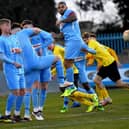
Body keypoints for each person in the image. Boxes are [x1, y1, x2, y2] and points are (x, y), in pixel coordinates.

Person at [10, 22, 64, 121]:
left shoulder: (35, 36)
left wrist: (42, 47)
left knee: (43, 87)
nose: (25, 29)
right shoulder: (23, 37)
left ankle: (37, 110)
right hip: (36, 63)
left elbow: (50, 39)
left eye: (27, 27)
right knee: (34, 87)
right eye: (24, 27)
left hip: (40, 64)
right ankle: (32, 112)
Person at [55, 1, 96, 100]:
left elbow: (74, 17)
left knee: (67, 63)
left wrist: (62, 21)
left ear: (66, 7)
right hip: (72, 42)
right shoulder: (62, 20)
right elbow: (64, 34)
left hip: (73, 41)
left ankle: (71, 85)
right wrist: (55, 36)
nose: (61, 8)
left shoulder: (69, 13)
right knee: (71, 64)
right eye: (59, 7)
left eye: (62, 6)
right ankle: (96, 99)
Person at [82, 32, 129, 102]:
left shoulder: (92, 42)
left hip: (108, 64)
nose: (85, 41)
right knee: (118, 83)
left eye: (85, 40)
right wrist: (89, 62)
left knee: (98, 80)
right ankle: (106, 98)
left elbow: (89, 55)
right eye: (84, 40)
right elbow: (91, 56)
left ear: (89, 38)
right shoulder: (94, 43)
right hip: (108, 64)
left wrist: (80, 58)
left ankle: (106, 98)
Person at [0, 19, 26, 122]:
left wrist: (20, 51)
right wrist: (13, 63)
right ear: (1, 27)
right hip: (11, 68)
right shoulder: (1, 39)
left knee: (22, 91)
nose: (8, 27)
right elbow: (1, 56)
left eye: (9, 25)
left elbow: (19, 50)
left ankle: (17, 114)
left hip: (20, 68)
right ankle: (6, 115)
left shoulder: (13, 39)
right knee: (15, 91)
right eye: (6, 25)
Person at [48, 43, 81, 113]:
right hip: (67, 73)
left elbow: (67, 52)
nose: (48, 47)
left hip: (73, 72)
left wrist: (73, 58)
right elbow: (59, 65)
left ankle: (66, 106)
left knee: (67, 89)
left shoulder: (58, 48)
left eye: (49, 45)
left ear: (52, 43)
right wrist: (53, 73)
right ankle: (89, 95)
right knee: (71, 89)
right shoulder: (53, 52)